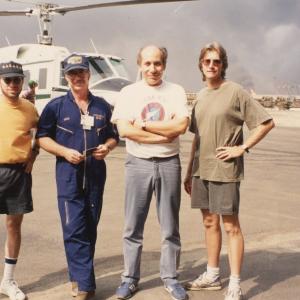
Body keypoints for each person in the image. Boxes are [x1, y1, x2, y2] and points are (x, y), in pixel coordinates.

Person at [184, 42, 275, 300]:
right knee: (209, 222)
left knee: (230, 225)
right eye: (207, 61)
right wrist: (189, 170)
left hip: (225, 170)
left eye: (216, 61)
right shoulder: (200, 96)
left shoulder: (235, 91)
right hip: (202, 170)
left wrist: (242, 147)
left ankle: (235, 283)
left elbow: (266, 123)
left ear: (223, 65)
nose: (212, 65)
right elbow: (197, 137)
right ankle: (212, 274)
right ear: (201, 65)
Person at [36, 54, 118, 300]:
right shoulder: (56, 106)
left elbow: (114, 135)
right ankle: (85, 285)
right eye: (72, 73)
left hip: (95, 175)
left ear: (88, 74)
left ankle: (78, 275)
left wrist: (108, 147)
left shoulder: (102, 105)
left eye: (81, 72)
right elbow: (42, 138)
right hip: (68, 175)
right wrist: (63, 151)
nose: (77, 77)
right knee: (74, 229)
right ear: (66, 77)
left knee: (90, 228)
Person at [111, 45, 190, 300]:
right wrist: (162, 135)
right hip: (138, 163)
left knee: (170, 226)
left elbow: (179, 126)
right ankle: (129, 278)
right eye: (147, 64)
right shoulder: (128, 92)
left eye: (157, 63)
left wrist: (144, 125)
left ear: (164, 65)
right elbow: (124, 130)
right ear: (139, 65)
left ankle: (170, 278)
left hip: (169, 163)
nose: (152, 69)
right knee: (132, 226)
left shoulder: (175, 91)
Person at [0, 61, 39, 300]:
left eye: (17, 80)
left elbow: (40, 134)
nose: (13, 84)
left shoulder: (30, 109)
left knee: (14, 226)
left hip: (18, 173)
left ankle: (7, 281)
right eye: (8, 80)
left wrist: (33, 155)